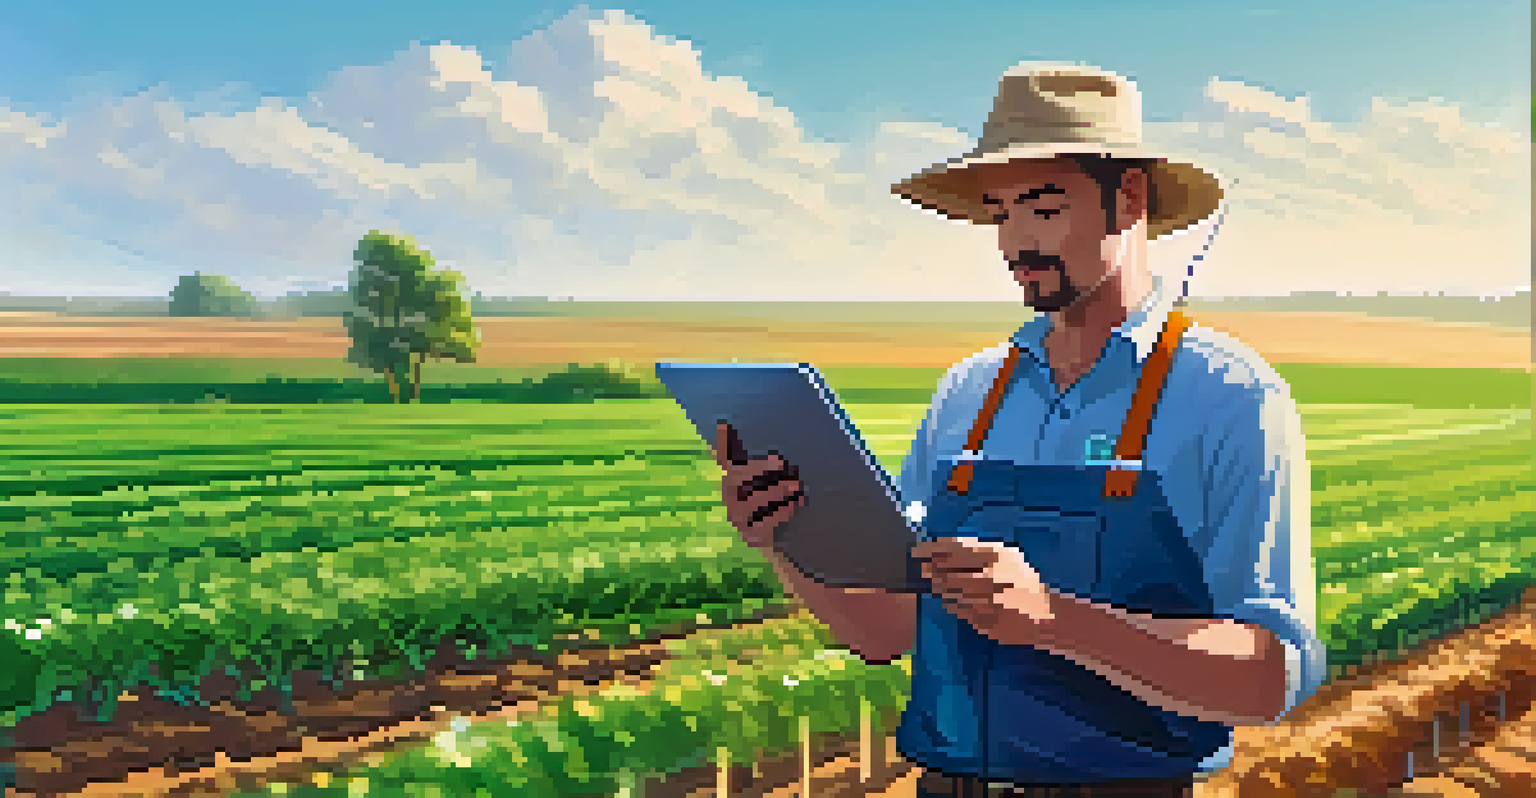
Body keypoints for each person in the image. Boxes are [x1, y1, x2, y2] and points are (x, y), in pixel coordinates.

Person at [714, 62, 1327, 798]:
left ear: (1127, 198)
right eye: (1001, 214)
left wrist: (1055, 620)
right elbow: (888, 631)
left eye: (1042, 208)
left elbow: (1266, 678)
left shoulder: (1231, 397)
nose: (1015, 243)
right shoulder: (967, 391)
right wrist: (786, 539)